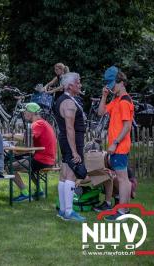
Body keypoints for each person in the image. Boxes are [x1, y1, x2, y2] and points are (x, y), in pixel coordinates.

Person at [97, 66, 134, 220]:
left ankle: (122, 212)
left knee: (123, 179)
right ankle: (122, 210)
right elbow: (101, 112)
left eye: (112, 84)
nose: (111, 87)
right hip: (116, 147)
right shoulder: (116, 100)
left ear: (121, 82)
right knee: (121, 178)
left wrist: (115, 143)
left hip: (120, 146)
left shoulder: (125, 101)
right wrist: (104, 96)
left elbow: (127, 126)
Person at [54, 72, 88, 222]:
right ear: (69, 86)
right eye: (78, 82)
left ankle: (62, 210)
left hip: (66, 139)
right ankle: (68, 212)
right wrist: (75, 151)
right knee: (71, 175)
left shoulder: (64, 99)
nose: (80, 85)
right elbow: (69, 128)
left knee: (64, 174)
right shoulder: (68, 103)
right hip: (71, 141)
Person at [10, 102, 57, 202]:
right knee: (23, 161)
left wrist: (11, 135)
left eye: (25, 112)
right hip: (47, 159)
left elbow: (26, 137)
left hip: (43, 160)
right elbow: (30, 143)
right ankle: (39, 190)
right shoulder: (43, 123)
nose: (23, 114)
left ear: (31, 113)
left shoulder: (37, 124)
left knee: (9, 166)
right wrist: (20, 152)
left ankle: (25, 193)